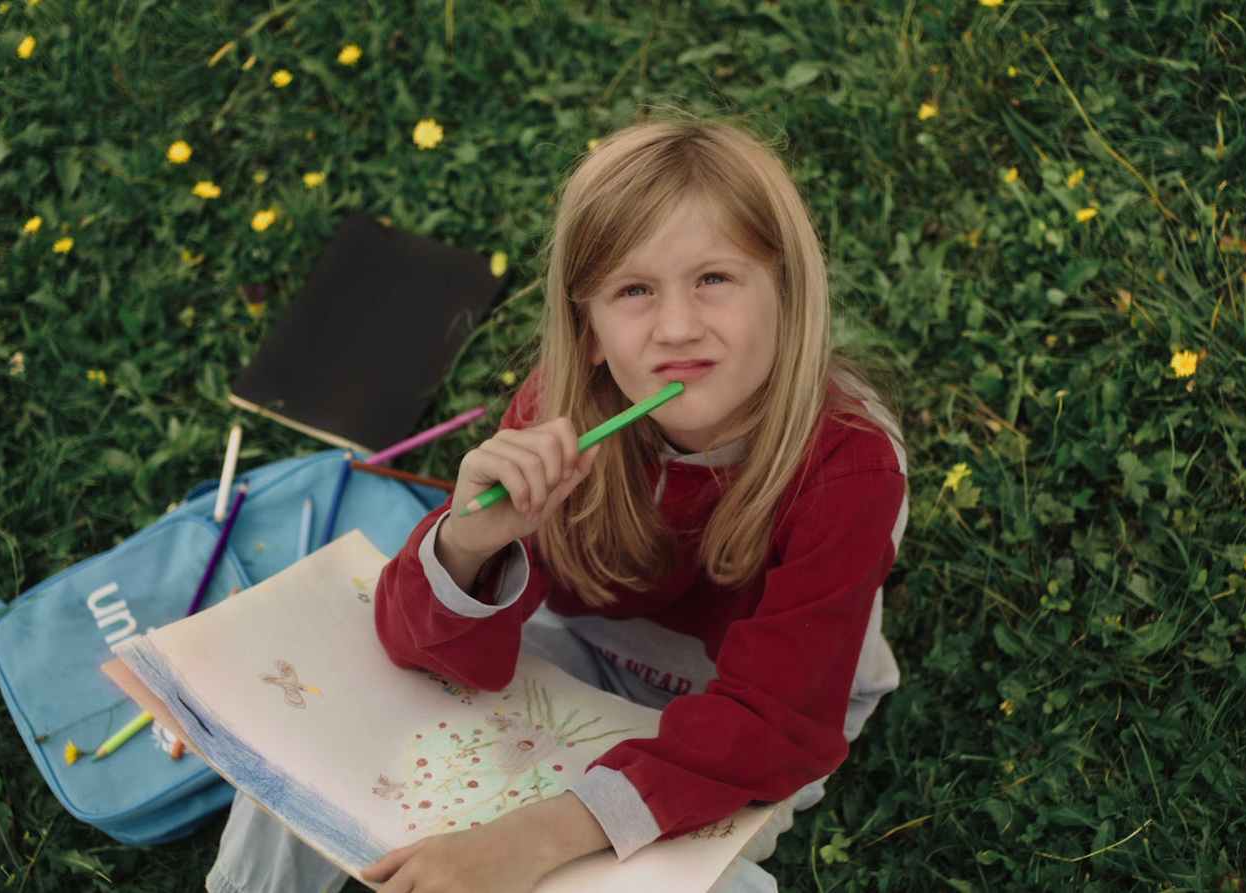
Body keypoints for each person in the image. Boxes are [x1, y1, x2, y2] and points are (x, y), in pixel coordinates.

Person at [205, 113, 909, 893]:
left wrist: (533, 838)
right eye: (634, 290)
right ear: (592, 330)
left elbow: (774, 724)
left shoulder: (851, 467)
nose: (678, 326)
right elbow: (418, 646)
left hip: (739, 725)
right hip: (570, 657)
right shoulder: (560, 420)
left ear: (786, 294)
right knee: (322, 714)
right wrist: (468, 546)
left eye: (715, 278)